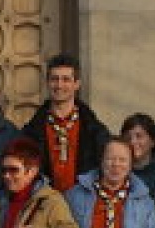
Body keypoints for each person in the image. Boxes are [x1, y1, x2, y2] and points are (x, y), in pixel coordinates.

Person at [21, 54, 112, 193]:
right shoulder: (31, 132)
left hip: (84, 201)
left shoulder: (96, 132)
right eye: (54, 79)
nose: (59, 85)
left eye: (66, 79)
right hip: (45, 201)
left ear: (77, 84)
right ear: (47, 83)